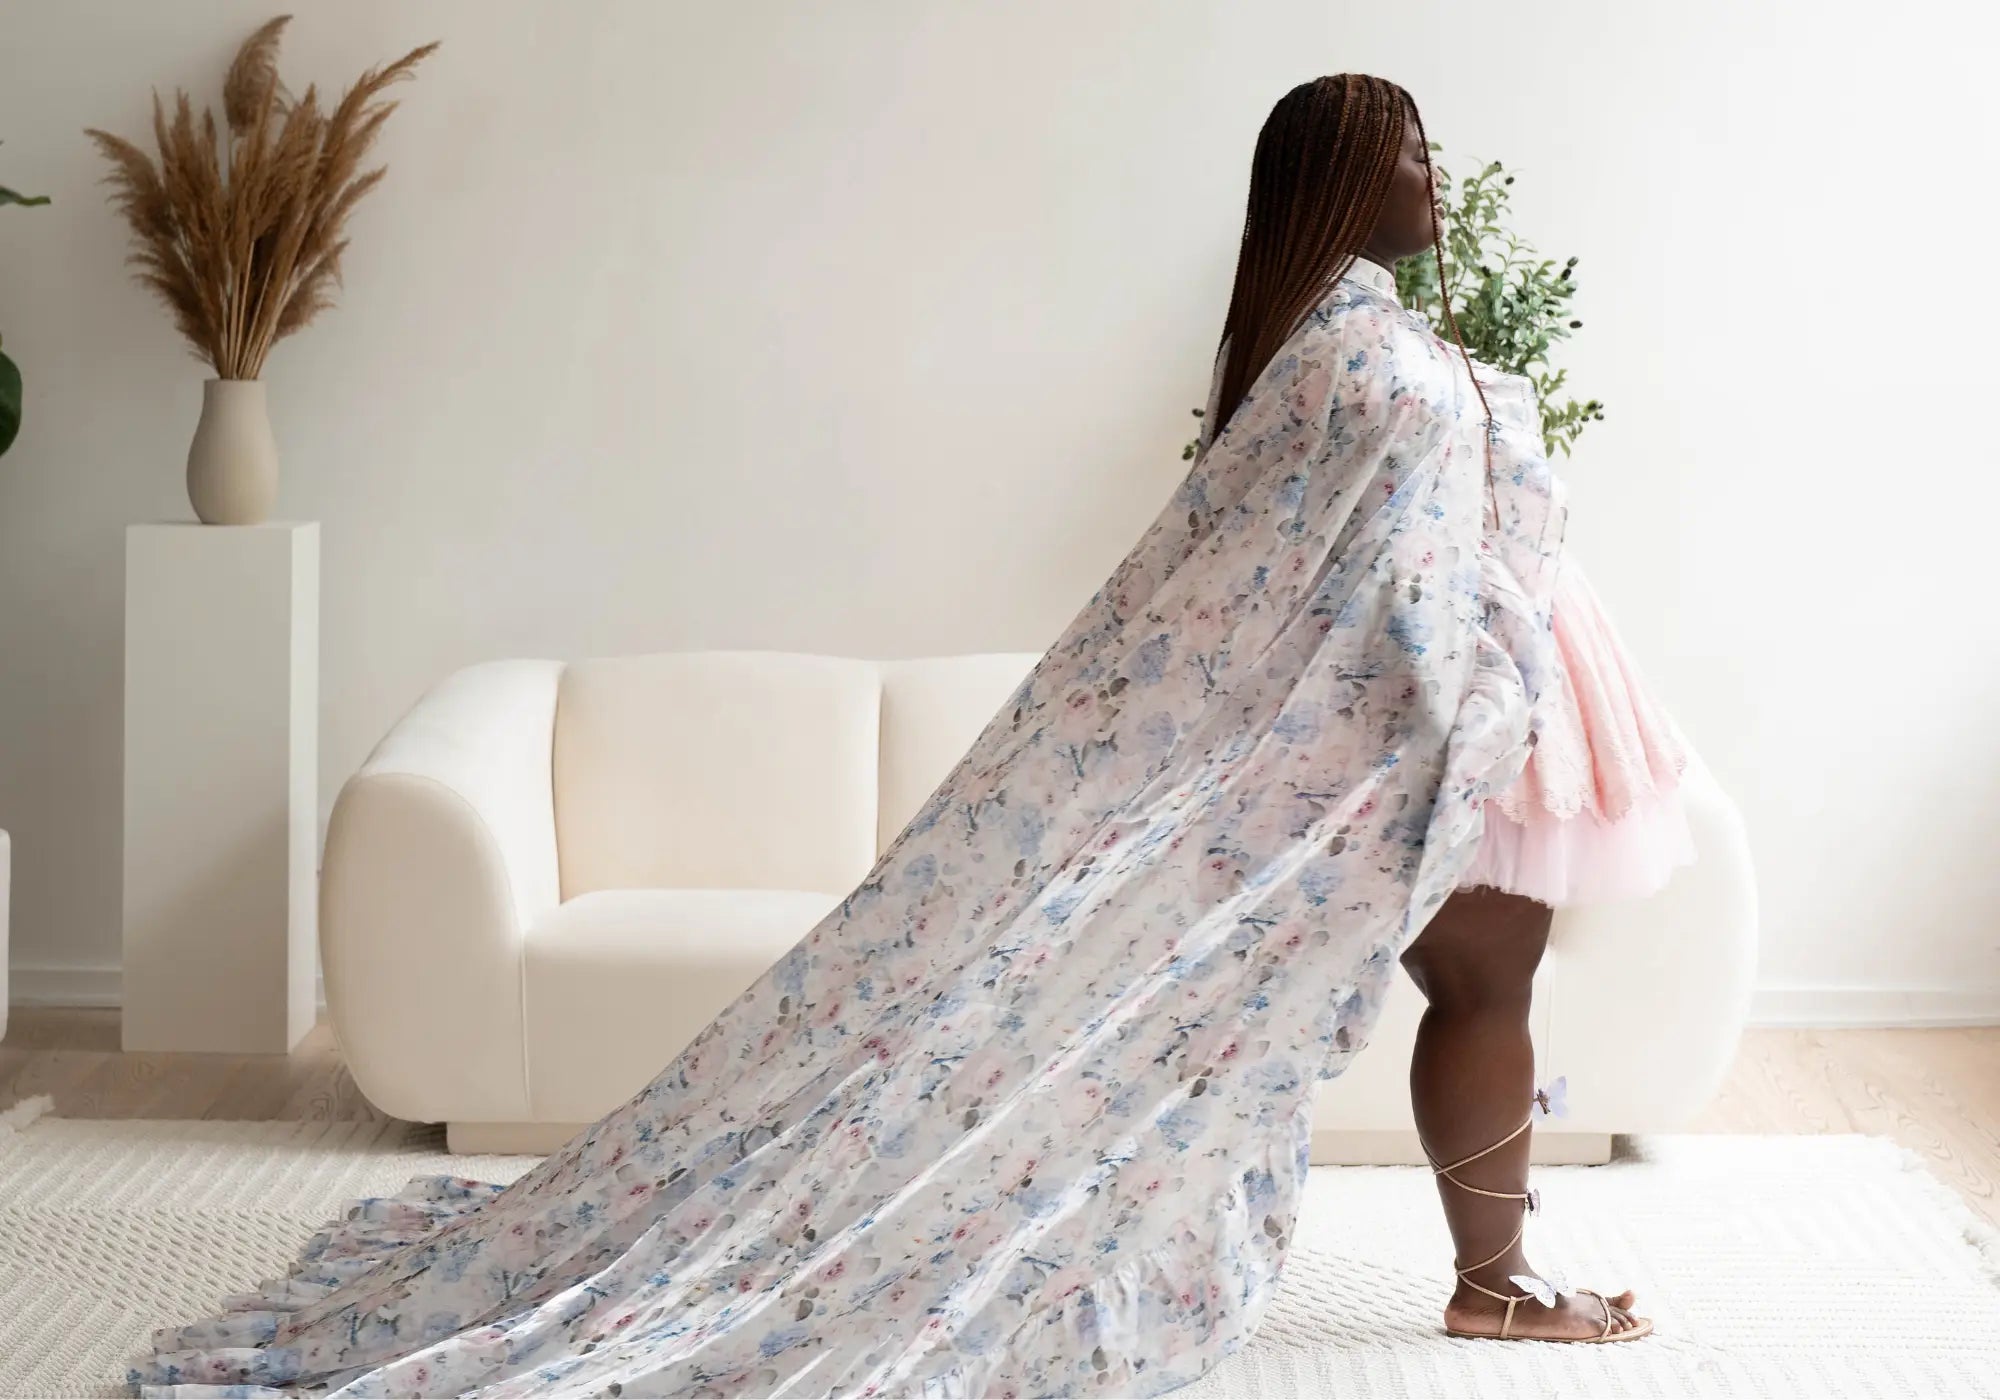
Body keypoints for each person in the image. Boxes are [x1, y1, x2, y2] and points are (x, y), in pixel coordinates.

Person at [129, 73, 1679, 1398]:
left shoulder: (1330, 341)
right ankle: (1501, 1281)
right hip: (1415, 740)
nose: (1434, 171)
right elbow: (1386, 595)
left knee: (1489, 977)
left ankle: (1501, 1273)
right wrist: (1454, 724)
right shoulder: (1365, 357)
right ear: (1347, 174)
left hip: (1419, 736)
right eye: (1408, 149)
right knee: (1488, 978)